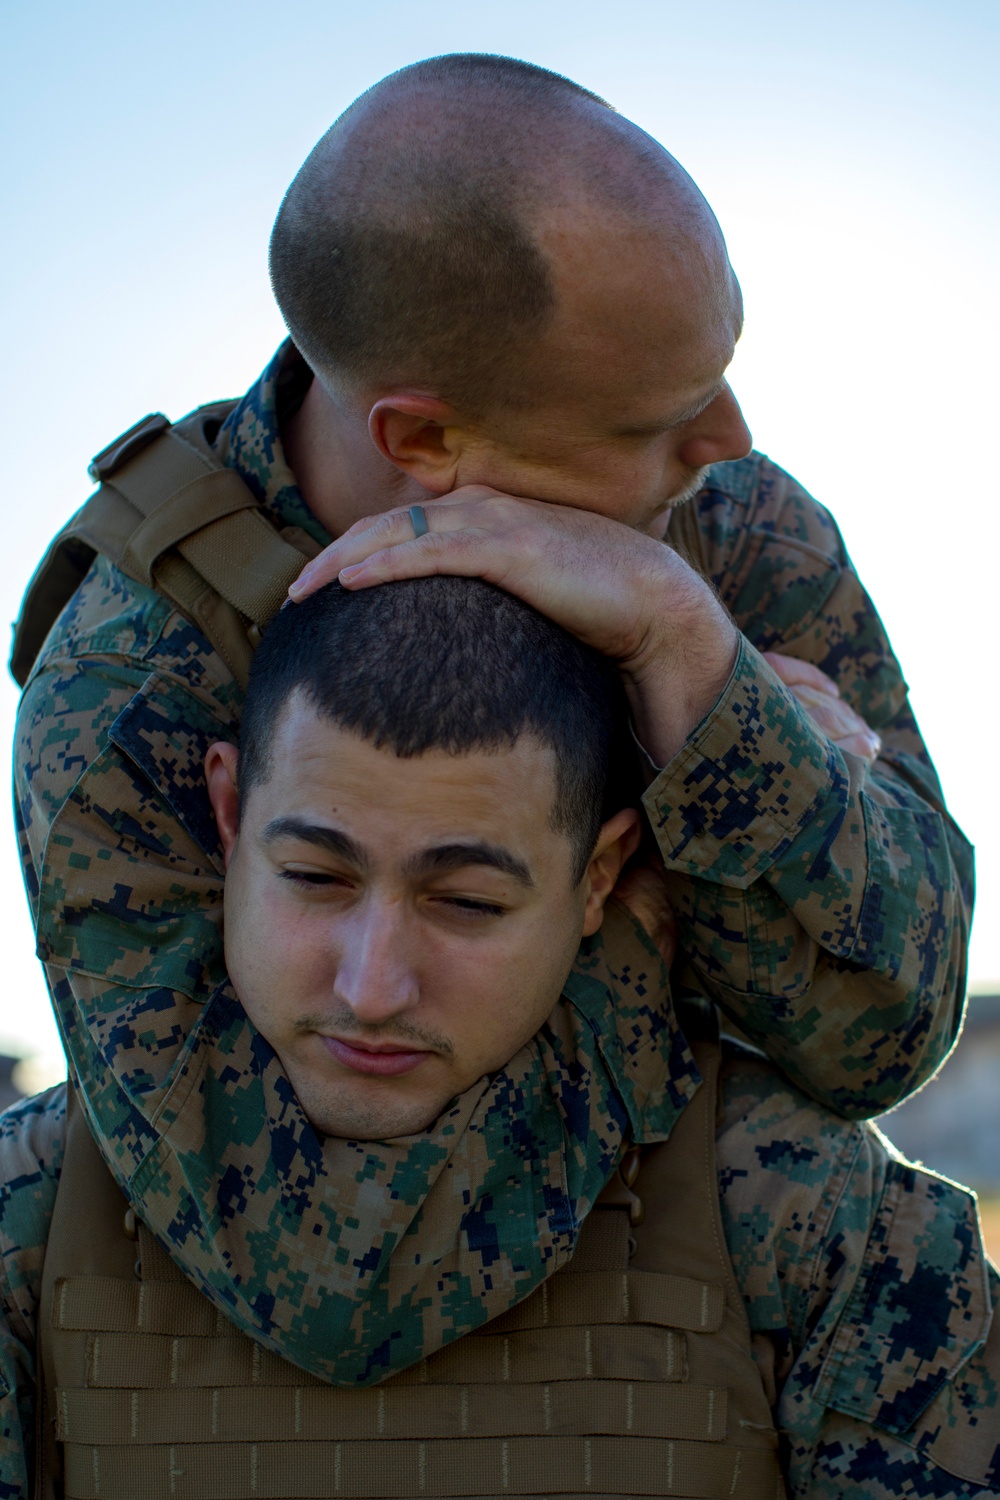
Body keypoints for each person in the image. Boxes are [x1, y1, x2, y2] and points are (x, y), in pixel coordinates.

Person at [11, 54, 972, 1386]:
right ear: (426, 442)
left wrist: (692, 652)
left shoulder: (726, 530)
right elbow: (323, 1273)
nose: (732, 443)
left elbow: (884, 1031)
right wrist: (642, 936)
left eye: (719, 379)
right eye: (661, 415)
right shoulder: (132, 683)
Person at [2, 577, 995, 1499]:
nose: (373, 986)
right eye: (315, 876)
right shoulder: (24, 1216)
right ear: (227, 813)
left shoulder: (808, 1211)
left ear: (601, 875)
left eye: (466, 901)